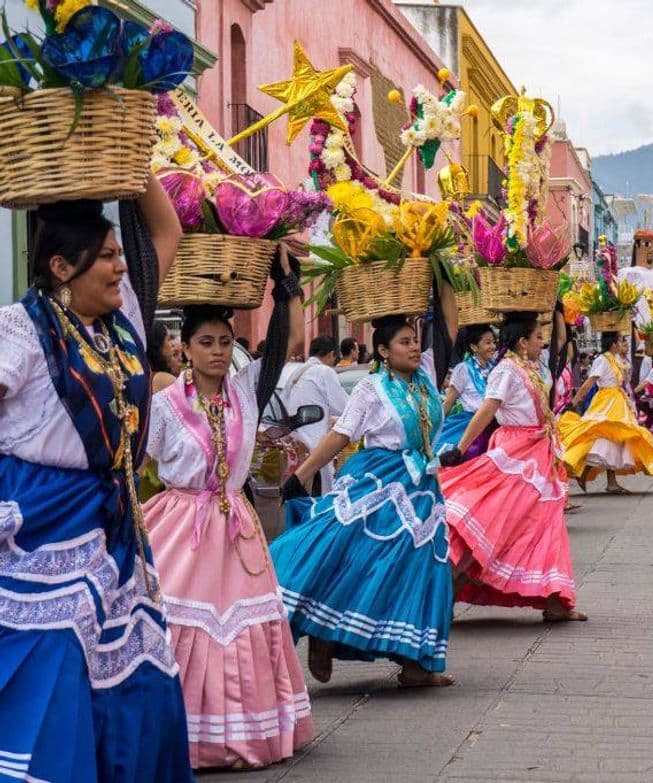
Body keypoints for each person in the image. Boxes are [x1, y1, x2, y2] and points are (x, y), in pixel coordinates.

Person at [0, 185, 195, 780]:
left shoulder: (121, 320)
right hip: (41, 524)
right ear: (61, 267)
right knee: (56, 662)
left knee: (138, 674)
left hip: (114, 525)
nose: (119, 265)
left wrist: (140, 163)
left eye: (117, 253)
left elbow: (169, 234)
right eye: (106, 256)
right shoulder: (20, 329)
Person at [143, 257, 314, 769]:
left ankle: (240, 735)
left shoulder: (245, 393)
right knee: (177, 624)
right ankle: (180, 737)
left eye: (224, 342)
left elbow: (284, 345)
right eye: (206, 343)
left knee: (242, 627)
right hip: (180, 528)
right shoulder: (166, 404)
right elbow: (137, 466)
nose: (217, 352)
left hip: (236, 529)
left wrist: (284, 289)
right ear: (184, 349)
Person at [271, 317, 454, 688]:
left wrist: (442, 277)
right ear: (384, 352)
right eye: (404, 342)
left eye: (415, 340)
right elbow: (341, 435)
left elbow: (450, 326)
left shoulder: (426, 381)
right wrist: (302, 475)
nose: (414, 347)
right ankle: (322, 631)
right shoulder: (371, 389)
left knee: (422, 566)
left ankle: (416, 661)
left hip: (422, 486)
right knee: (355, 557)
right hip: (378, 483)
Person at [439, 313, 586, 622]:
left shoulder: (530, 368)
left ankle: (554, 599)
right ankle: (445, 594)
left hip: (537, 453)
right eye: (537, 337)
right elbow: (487, 409)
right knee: (498, 526)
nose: (542, 342)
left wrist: (558, 313)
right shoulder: (506, 370)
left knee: (543, 523)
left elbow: (559, 348)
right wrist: (460, 449)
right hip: (515, 456)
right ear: (522, 342)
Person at [559, 331, 653, 495]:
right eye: (621, 341)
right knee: (601, 437)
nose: (625, 344)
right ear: (613, 344)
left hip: (618, 401)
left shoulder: (616, 360)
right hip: (606, 401)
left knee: (615, 440)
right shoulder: (602, 360)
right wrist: (574, 402)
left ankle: (610, 482)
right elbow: (589, 382)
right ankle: (584, 470)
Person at [285, 336, 350, 495]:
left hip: (294, 443)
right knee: (320, 494)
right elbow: (344, 407)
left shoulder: (295, 373)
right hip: (316, 444)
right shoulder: (324, 372)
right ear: (332, 354)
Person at [435, 324, 497, 459]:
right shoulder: (463, 369)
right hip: (470, 426)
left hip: (495, 425)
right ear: (474, 347)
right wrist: (434, 430)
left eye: (493, 342)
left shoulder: (497, 368)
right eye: (487, 342)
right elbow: (448, 402)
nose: (493, 346)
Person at [148, 320, 183, 393]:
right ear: (159, 345)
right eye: (169, 339)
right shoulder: (166, 380)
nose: (172, 345)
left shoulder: (148, 374)